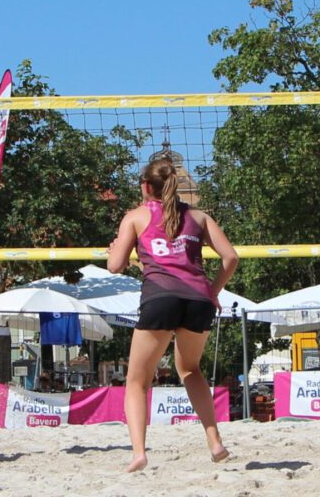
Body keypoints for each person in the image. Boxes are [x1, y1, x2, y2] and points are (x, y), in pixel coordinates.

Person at [107, 158, 238, 473]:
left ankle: (139, 452)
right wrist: (213, 292)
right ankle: (215, 442)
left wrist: (117, 250)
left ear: (145, 186)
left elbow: (114, 266)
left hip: (161, 297)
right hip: (198, 299)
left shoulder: (136, 217)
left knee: (137, 381)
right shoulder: (199, 216)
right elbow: (230, 257)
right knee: (190, 370)